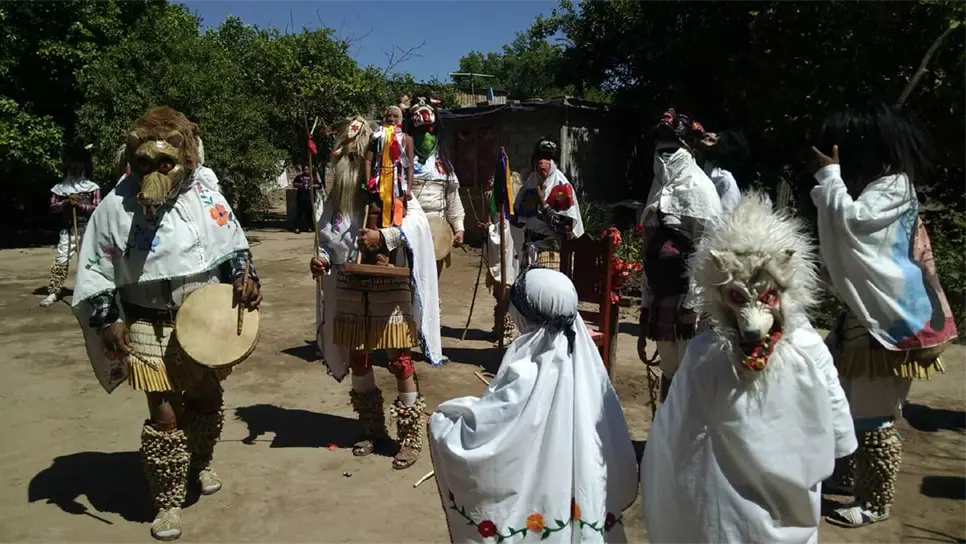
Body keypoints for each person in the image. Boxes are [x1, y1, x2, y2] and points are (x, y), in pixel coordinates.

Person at [71, 106, 261, 541]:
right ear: (132, 157)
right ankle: (169, 501)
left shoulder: (205, 196)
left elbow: (232, 244)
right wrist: (107, 319)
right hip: (145, 323)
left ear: (185, 156)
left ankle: (199, 461)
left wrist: (244, 277)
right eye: (144, 162)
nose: (154, 171)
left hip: (204, 319)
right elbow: (96, 267)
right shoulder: (114, 207)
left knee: (207, 396)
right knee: (164, 413)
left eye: (165, 163)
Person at [641, 191, 857, 544]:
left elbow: (671, 441)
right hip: (781, 514)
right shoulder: (808, 349)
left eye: (767, 296)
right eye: (738, 297)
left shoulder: (702, 354)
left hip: (718, 520)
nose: (753, 322)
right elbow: (840, 438)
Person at [808, 103, 957, 528]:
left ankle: (876, 500)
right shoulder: (880, 187)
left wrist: (830, 177)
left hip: (886, 327)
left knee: (873, 415)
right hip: (862, 321)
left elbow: (853, 224)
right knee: (845, 404)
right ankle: (849, 475)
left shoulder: (893, 187)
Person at [429, 267, 638, 543]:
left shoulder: (524, 373)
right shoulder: (592, 374)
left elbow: (486, 438)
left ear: (523, 317)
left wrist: (444, 421)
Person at [310, 112, 446, 471]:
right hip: (351, 287)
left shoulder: (394, 187)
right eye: (348, 158)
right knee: (359, 357)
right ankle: (373, 429)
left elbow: (416, 225)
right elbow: (328, 237)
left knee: (399, 360)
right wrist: (322, 257)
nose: (348, 165)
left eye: (356, 158)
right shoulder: (338, 198)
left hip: (389, 289)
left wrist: (384, 236)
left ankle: (410, 437)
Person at [637, 108, 722, 400]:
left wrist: (692, 305)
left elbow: (708, 250)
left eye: (671, 149)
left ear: (686, 149)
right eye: (660, 149)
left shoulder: (702, 190)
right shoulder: (656, 187)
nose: (664, 155)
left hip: (688, 301)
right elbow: (648, 246)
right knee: (669, 369)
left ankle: (686, 440)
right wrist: (647, 298)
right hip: (661, 293)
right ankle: (665, 435)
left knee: (690, 372)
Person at [405, 97, 466, 286]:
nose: (425, 136)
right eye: (420, 131)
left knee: (432, 284)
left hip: (438, 231)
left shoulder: (443, 165)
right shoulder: (403, 164)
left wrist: (459, 227)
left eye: (429, 131)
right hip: (410, 229)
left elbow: (452, 198)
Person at [40, 147, 101, 307]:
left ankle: (90, 292)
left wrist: (80, 206)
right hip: (67, 230)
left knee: (88, 261)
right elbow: (53, 208)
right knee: (61, 260)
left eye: (78, 167)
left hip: (86, 230)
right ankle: (54, 292)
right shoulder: (60, 188)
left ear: (84, 168)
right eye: (72, 167)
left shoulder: (92, 188)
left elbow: (97, 209)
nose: (75, 170)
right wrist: (65, 203)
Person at [511, 137, 584, 269]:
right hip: (529, 250)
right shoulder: (529, 185)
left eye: (547, 158)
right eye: (539, 158)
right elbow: (517, 216)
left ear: (554, 163)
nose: (542, 162)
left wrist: (543, 204)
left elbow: (565, 227)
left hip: (552, 254)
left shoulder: (562, 187)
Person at [483, 171, 525, 344]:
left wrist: (489, 229)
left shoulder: (508, 219)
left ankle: (509, 329)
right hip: (506, 247)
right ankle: (500, 326)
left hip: (509, 252)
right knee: (500, 289)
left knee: (506, 287)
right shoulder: (503, 213)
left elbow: (500, 236)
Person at [699, 129, 748, 214]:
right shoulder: (703, 164)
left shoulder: (727, 183)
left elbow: (725, 219)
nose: (710, 134)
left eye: (718, 138)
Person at [292, 165, 320, 234]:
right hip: (301, 198)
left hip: (310, 198)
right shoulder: (299, 177)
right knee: (299, 213)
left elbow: (319, 185)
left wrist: (312, 185)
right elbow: (294, 184)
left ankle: (309, 227)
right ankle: (297, 228)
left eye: (307, 169)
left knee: (309, 214)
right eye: (305, 169)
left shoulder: (313, 178)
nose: (306, 170)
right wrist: (301, 185)